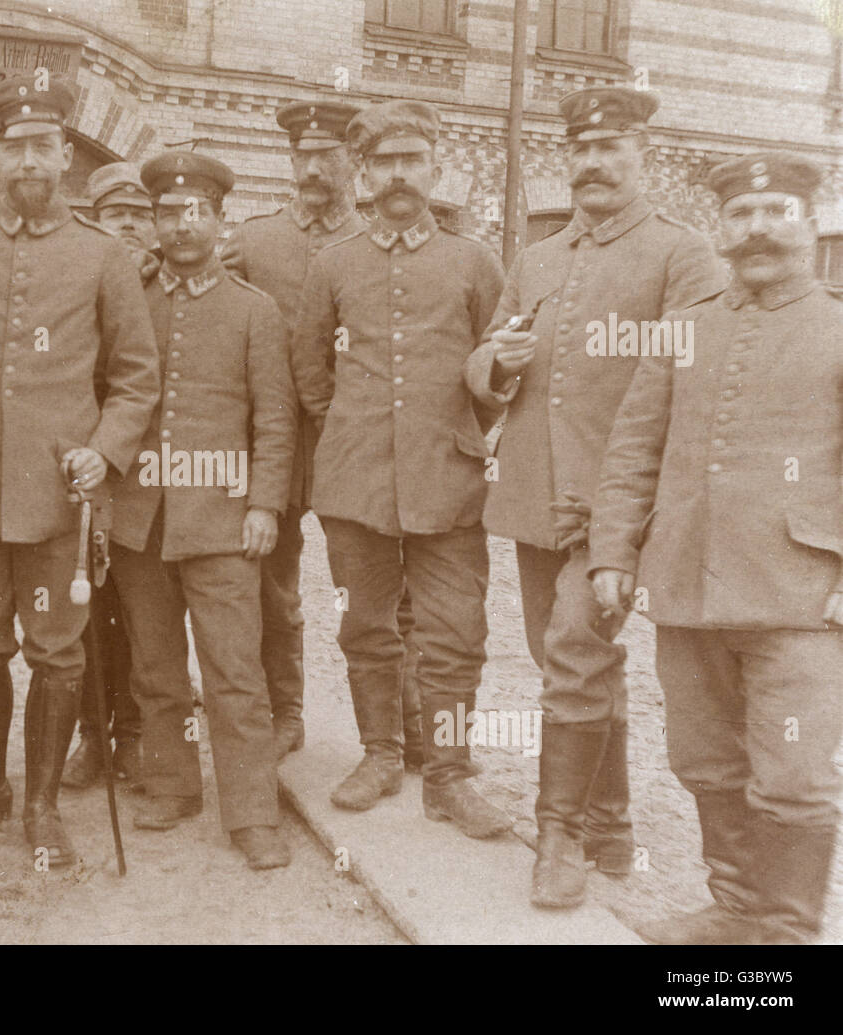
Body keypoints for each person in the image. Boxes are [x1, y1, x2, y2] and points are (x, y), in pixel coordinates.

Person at [464, 87, 725, 907]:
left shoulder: (682, 255)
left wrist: (645, 511)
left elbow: (698, 389)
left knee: (575, 652)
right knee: (564, 655)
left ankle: (561, 836)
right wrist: (495, 363)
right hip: (539, 496)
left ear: (643, 156)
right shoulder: (538, 257)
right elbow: (483, 364)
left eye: (611, 149)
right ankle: (612, 826)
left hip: (617, 508)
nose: (593, 163)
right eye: (580, 149)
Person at [590, 152, 843, 945]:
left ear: (810, 221)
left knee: (794, 774)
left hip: (800, 598)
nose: (758, 227)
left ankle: (788, 935)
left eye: (777, 210)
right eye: (742, 214)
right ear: (722, 229)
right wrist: (611, 554)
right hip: (687, 586)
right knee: (703, 758)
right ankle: (734, 909)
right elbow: (635, 445)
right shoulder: (686, 328)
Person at [0, 76, 160, 867]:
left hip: (58, 496)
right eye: (14, 147)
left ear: (66, 154)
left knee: (58, 653)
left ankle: (39, 806)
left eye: (43, 145)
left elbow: (137, 378)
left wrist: (106, 447)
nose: (28, 160)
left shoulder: (102, 255)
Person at [292, 99, 509, 837]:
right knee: (367, 626)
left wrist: (454, 432)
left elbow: (498, 367)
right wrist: (357, 434)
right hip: (354, 487)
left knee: (455, 631)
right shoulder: (333, 265)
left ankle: (447, 774)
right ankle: (381, 753)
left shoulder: (474, 260)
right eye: (383, 162)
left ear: (434, 168)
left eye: (411, 160)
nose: (397, 175)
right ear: (362, 173)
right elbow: (311, 369)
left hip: (450, 484)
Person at [105, 150, 296, 868]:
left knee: (234, 670)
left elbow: (274, 421)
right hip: (141, 519)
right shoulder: (132, 300)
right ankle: (173, 784)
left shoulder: (254, 310)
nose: (181, 227)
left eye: (196, 214)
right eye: (167, 214)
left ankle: (251, 812)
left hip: (222, 521)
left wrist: (264, 506)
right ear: (154, 223)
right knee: (155, 667)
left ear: (219, 221)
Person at [221, 100, 367, 762]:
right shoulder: (253, 242)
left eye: (327, 156)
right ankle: (284, 712)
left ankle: (399, 734)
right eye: (302, 155)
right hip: (271, 443)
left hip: (349, 441)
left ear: (351, 162)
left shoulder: (371, 240)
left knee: (370, 592)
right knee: (272, 588)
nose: (312, 169)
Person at [60, 161, 156, 790]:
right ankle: (94, 736)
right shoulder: (76, 276)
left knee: (147, 618)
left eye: (140, 215)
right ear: (95, 219)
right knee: (91, 614)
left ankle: (139, 738)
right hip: (93, 471)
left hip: (157, 477)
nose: (129, 226)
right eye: (115, 214)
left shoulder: (177, 281)